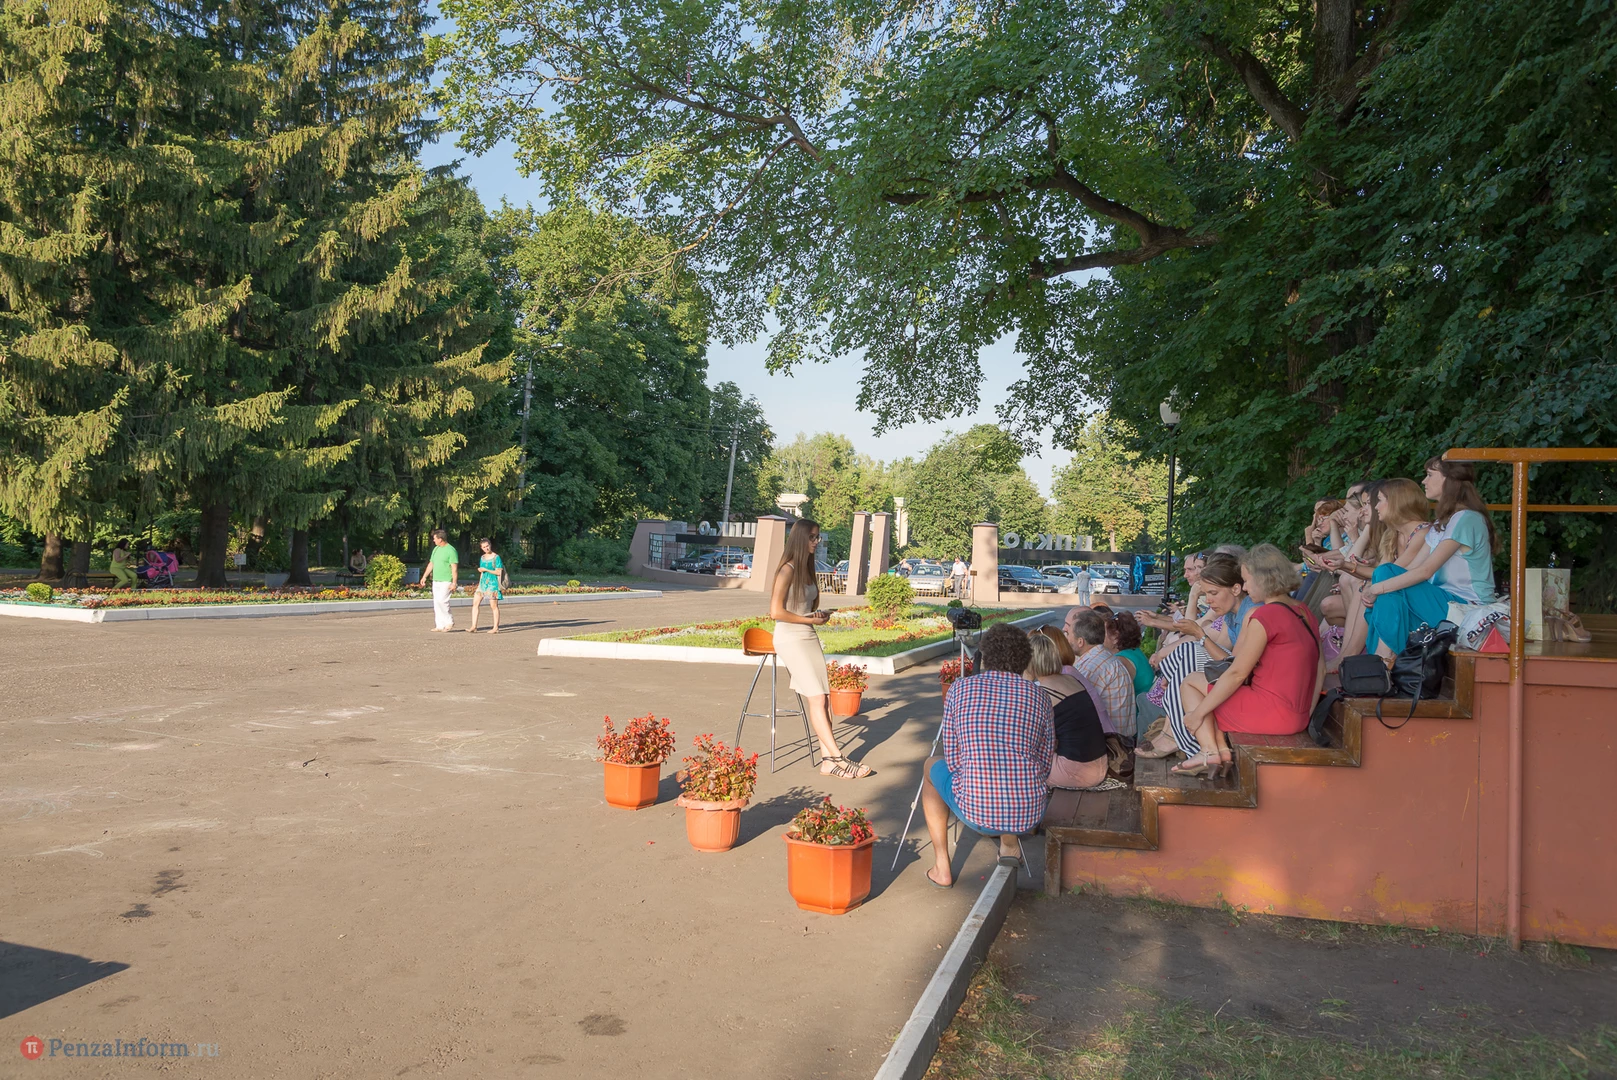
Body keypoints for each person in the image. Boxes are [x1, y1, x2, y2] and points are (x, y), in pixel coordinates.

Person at [1172, 544, 1325, 776]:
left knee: (1191, 682)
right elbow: (1320, 669)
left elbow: (1237, 672)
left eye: (1246, 580)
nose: (1244, 587)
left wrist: (1197, 714)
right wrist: (1306, 714)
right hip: (1298, 715)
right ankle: (1220, 751)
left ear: (1264, 578)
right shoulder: (1304, 611)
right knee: (1208, 684)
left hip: (1271, 712)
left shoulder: (1265, 615)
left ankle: (1209, 751)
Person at [921, 623, 1053, 887]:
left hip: (976, 811)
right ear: (1025, 659)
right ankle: (1008, 844)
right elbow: (1045, 763)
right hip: (1028, 813)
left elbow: (954, 760)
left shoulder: (959, 689)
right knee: (1013, 767)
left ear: (986, 655)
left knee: (930, 766)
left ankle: (941, 866)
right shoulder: (1040, 696)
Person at [1360, 459, 1498, 661]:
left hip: (1468, 609)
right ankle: (1383, 660)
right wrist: (1379, 587)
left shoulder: (1466, 518)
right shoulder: (1443, 523)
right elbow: (1411, 569)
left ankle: (1382, 659)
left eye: (1430, 475)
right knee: (1387, 582)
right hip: (1444, 604)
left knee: (1384, 576)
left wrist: (1377, 588)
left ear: (1449, 480)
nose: (1424, 481)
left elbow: (1426, 571)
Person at [770, 518, 871, 779]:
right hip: (790, 638)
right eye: (812, 537)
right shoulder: (787, 570)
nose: (816, 542)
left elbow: (804, 608)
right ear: (800, 539)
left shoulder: (806, 568)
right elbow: (775, 612)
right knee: (816, 698)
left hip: (808, 634)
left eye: (818, 537)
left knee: (824, 698)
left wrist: (817, 616)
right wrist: (808, 620)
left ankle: (828, 761)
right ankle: (838, 758)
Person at [1135, 552, 1254, 760]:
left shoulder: (1249, 613)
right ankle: (1174, 734)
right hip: (1240, 678)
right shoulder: (1232, 612)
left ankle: (1178, 737)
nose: (1208, 600)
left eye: (1213, 593)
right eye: (1206, 594)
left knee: (1189, 652)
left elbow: (1231, 665)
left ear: (1236, 588)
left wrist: (1199, 635)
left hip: (1249, 686)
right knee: (1186, 652)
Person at [1027, 633, 1108, 790]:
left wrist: (1026, 679)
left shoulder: (1043, 693)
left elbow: (1029, 738)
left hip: (1075, 772)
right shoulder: (1071, 679)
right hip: (1099, 764)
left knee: (1017, 764)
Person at [1065, 607, 1136, 737]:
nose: (1066, 639)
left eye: (1068, 634)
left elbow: (1073, 710)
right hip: (1121, 738)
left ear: (1080, 642)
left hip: (1111, 743)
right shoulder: (1103, 658)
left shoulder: (1091, 667)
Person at [417, 529, 459, 632]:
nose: (433, 540)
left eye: (435, 538)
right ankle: (439, 625)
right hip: (436, 579)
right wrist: (424, 576)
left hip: (446, 580)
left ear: (440, 539)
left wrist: (454, 582)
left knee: (442, 601)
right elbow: (431, 563)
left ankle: (449, 622)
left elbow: (454, 568)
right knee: (436, 602)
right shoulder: (436, 549)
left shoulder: (451, 550)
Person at [1108, 612, 1156, 697]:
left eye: (1102, 633)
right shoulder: (1133, 652)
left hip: (1139, 705)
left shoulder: (1121, 660)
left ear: (1115, 637)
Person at [467, 538, 504, 633]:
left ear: (490, 545)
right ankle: (474, 626)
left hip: (493, 584)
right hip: (483, 584)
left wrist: (486, 570)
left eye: (487, 546)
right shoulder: (482, 558)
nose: (486, 548)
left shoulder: (496, 557)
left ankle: (495, 627)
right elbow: (482, 573)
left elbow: (498, 572)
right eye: (484, 547)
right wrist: (479, 584)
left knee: (493, 606)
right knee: (475, 603)